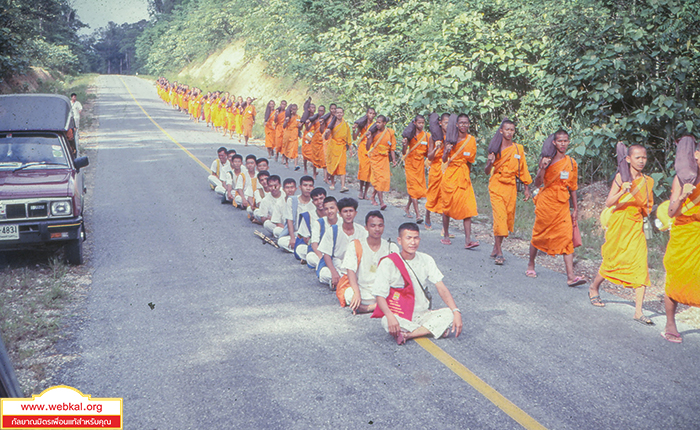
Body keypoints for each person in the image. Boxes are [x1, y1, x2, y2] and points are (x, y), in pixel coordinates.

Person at [587, 144, 654, 324]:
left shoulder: (647, 181)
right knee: (612, 260)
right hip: (619, 225)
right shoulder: (620, 177)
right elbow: (609, 202)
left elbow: (648, 207)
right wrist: (623, 191)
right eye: (638, 157)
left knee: (640, 264)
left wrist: (645, 206)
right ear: (628, 159)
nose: (641, 161)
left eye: (644, 158)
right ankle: (594, 287)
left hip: (636, 226)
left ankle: (638, 312)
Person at [372, 222, 463, 345]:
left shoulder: (426, 259)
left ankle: (410, 334)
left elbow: (441, 287)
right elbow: (379, 295)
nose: (413, 242)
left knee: (449, 314)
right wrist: (390, 316)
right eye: (408, 238)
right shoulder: (388, 263)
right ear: (399, 240)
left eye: (416, 238)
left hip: (423, 314)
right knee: (385, 320)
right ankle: (430, 330)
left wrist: (456, 311)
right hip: (401, 315)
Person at [526, 129, 586, 286]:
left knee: (567, 238)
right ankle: (531, 264)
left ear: (568, 142)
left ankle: (570, 277)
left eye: (565, 141)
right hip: (546, 203)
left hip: (563, 205)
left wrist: (575, 208)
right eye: (560, 141)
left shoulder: (571, 163)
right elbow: (537, 183)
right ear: (554, 142)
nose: (563, 144)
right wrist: (542, 168)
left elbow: (573, 187)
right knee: (539, 234)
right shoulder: (546, 160)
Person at [662, 137, 700, 343]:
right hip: (683, 234)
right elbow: (671, 212)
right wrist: (684, 195)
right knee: (676, 278)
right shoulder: (683, 178)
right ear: (695, 155)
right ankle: (670, 324)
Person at [484, 120, 532, 265]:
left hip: (510, 187)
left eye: (512, 130)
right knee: (500, 218)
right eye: (507, 129)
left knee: (507, 219)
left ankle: (495, 247)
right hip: (497, 185)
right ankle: (499, 253)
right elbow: (487, 171)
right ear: (501, 131)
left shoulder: (518, 149)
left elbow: (522, 169)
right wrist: (490, 162)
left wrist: (526, 188)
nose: (509, 132)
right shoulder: (495, 148)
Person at [336, 211, 399, 314]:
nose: (377, 229)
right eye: (373, 226)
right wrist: (356, 292)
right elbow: (350, 271)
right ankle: (379, 306)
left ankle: (368, 308)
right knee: (349, 294)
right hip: (362, 289)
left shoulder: (391, 247)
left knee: (397, 294)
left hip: (383, 291)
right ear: (366, 227)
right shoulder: (356, 245)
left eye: (380, 225)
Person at [441, 114, 478, 248]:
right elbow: (444, 159)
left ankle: (468, 240)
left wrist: (467, 176)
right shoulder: (450, 138)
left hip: (463, 176)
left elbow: (470, 162)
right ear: (456, 125)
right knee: (447, 206)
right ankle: (445, 234)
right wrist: (446, 151)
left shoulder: (471, 140)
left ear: (469, 125)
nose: (463, 125)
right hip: (450, 176)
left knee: (468, 207)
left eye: (466, 123)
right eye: (461, 123)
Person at [316, 197, 368, 288]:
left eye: (351, 211)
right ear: (340, 214)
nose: (348, 214)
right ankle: (344, 282)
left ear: (355, 213)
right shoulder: (332, 230)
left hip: (355, 266)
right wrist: (333, 272)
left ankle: (342, 283)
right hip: (338, 265)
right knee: (324, 273)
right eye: (345, 211)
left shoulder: (362, 231)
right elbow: (327, 254)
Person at [402, 115, 429, 222]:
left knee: (417, 189)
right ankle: (418, 215)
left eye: (423, 123)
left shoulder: (427, 136)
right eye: (419, 123)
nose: (421, 125)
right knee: (413, 188)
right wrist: (404, 144)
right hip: (410, 164)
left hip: (420, 166)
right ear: (415, 123)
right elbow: (404, 152)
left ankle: (407, 207)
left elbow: (427, 153)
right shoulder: (410, 135)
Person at [278, 176, 316, 253]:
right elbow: (289, 220)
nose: (308, 188)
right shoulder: (292, 200)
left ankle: (301, 251)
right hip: (296, 233)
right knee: (281, 241)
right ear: (300, 187)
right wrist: (292, 238)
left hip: (310, 235)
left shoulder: (315, 202)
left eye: (310, 186)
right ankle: (305, 251)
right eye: (305, 185)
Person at [367, 115, 397, 210]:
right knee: (379, 179)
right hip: (375, 158)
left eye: (379, 122)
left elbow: (392, 148)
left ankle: (373, 195)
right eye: (376, 122)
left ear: (384, 123)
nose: (377, 124)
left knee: (383, 179)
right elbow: (368, 147)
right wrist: (368, 138)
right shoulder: (374, 133)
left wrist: (394, 160)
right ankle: (381, 202)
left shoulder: (390, 132)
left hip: (384, 159)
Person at [425, 113, 449, 230]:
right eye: (445, 123)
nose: (447, 125)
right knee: (432, 193)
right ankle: (427, 216)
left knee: (445, 195)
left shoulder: (451, 137)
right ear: (440, 123)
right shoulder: (433, 137)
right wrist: (436, 148)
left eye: (450, 123)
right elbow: (429, 157)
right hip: (435, 168)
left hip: (447, 168)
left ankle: (445, 228)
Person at [305, 196, 340, 271]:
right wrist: (322, 259)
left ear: (337, 209)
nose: (329, 211)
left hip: (337, 255)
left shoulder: (342, 222)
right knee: (310, 257)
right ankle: (324, 267)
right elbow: (314, 244)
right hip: (322, 254)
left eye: (332, 208)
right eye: (326, 209)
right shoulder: (319, 223)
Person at [295, 187, 327, 261]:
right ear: (312, 202)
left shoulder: (333, 214)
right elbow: (305, 238)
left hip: (331, 246)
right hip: (315, 246)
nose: (319, 202)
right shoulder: (308, 215)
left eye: (321, 198)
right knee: (300, 249)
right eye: (316, 199)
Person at [324, 107, 352, 191]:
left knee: (342, 166)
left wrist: (350, 149)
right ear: (335, 114)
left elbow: (348, 137)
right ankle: (332, 183)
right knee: (333, 165)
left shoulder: (345, 124)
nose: (339, 114)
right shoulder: (331, 124)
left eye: (341, 112)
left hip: (342, 147)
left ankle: (343, 186)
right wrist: (326, 133)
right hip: (333, 147)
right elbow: (326, 137)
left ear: (343, 114)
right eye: (338, 113)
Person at [354, 108, 377, 200]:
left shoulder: (375, 125)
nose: (371, 115)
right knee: (363, 169)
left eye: (373, 113)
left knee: (369, 171)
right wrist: (354, 130)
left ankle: (365, 192)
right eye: (370, 113)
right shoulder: (362, 124)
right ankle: (360, 190)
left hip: (371, 149)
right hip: (362, 148)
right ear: (367, 114)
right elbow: (355, 137)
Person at [282, 104, 301, 169]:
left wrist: (300, 127)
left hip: (294, 134)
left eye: (295, 109)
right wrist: (286, 121)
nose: (294, 111)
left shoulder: (298, 117)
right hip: (287, 134)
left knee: (295, 149)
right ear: (290, 110)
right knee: (287, 148)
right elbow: (284, 126)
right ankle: (287, 163)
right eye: (292, 109)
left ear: (297, 109)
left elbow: (299, 127)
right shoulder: (287, 116)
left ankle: (296, 165)